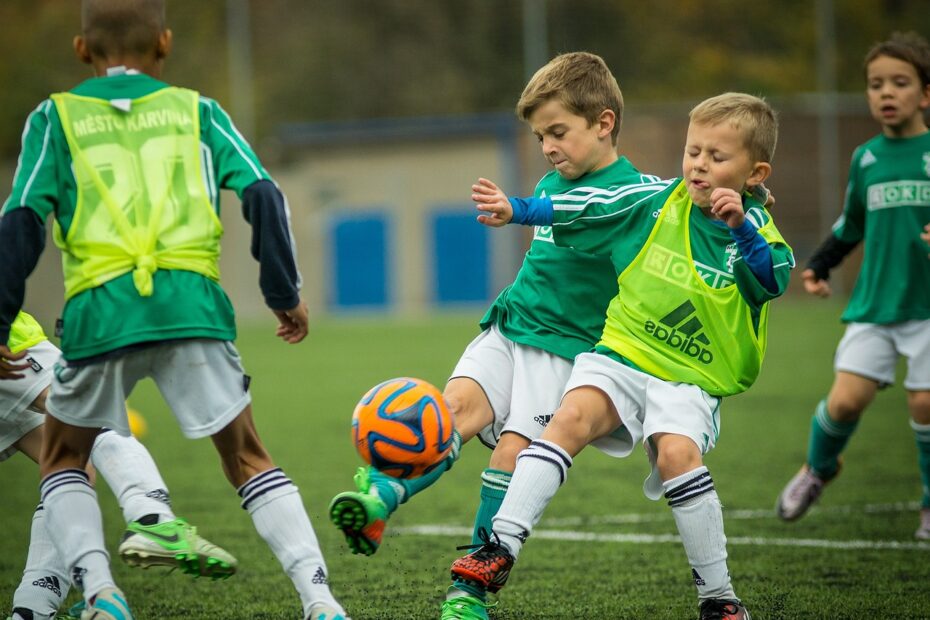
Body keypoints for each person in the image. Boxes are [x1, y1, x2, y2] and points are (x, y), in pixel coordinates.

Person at [0, 2, 349, 619]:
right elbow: (265, 193)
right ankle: (319, 601)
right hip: (192, 306)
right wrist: (282, 291)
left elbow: (21, 221)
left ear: (83, 50)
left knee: (63, 456)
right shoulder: (199, 112)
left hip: (100, 312)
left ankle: (103, 593)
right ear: (165, 43)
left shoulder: (55, 117)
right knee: (246, 456)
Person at [327, 51, 661, 619]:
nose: (550, 147)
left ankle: (468, 593)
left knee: (512, 452)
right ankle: (381, 496)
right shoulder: (556, 179)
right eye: (540, 137)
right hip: (509, 326)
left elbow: (675, 202)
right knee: (449, 411)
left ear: (604, 123)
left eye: (559, 132)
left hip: (562, 351)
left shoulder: (640, 195)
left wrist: (744, 204)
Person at [452, 92, 794, 620]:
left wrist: (742, 229)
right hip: (620, 355)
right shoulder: (655, 202)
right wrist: (518, 209)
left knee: (679, 455)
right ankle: (499, 548)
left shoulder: (760, 236)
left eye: (717, 157)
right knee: (568, 420)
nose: (699, 164)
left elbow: (770, 283)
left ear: (755, 172)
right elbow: (586, 206)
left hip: (689, 377)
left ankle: (719, 598)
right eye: (693, 151)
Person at [774, 32, 930, 538]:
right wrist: (821, 264)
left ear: (925, 94)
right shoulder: (866, 158)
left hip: (927, 307)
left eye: (900, 83)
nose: (886, 93)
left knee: (924, 402)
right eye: (875, 84)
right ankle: (818, 469)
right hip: (876, 304)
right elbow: (852, 223)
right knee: (844, 402)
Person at [2, 311, 236, 620]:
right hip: (12, 344)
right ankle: (152, 519)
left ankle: (32, 607)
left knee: (73, 468)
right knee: (91, 411)